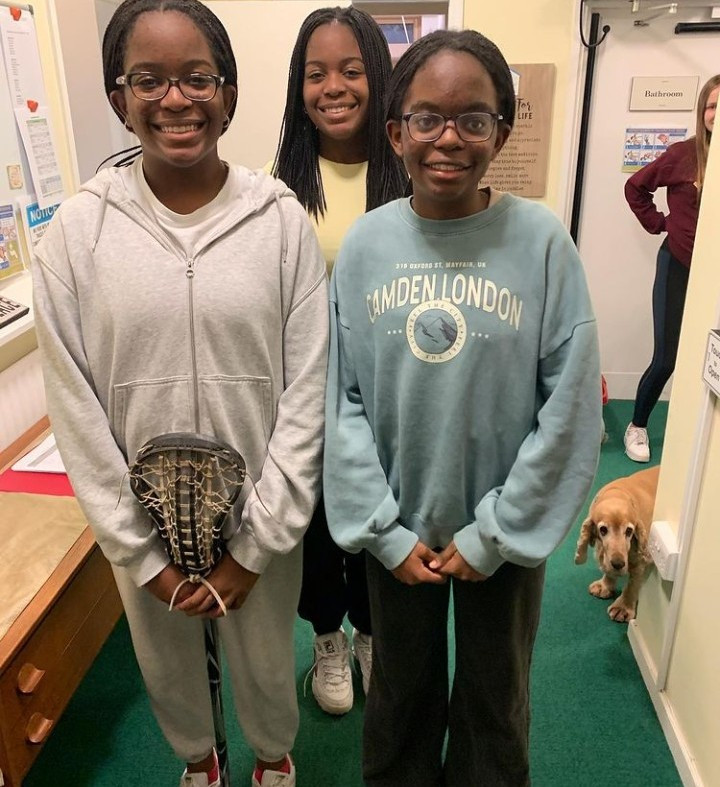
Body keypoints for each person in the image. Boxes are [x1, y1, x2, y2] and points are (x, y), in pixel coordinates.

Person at [31, 2, 328, 786]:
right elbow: (76, 409)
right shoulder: (75, 235)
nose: (176, 99)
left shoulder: (280, 222)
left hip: (261, 510)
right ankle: (201, 762)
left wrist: (259, 541)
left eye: (198, 78)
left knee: (267, 664)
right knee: (165, 666)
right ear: (118, 97)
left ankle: (272, 758)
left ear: (229, 92)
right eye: (148, 80)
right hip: (144, 521)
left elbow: (308, 391)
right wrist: (141, 553)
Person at [323, 29, 602, 787]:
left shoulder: (543, 243)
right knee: (399, 698)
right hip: (398, 527)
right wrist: (381, 530)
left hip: (504, 530)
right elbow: (340, 401)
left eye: (473, 119)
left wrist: (498, 532)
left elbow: (571, 406)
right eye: (427, 119)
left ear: (500, 133)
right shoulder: (366, 246)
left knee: (495, 700)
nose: (449, 138)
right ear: (396, 133)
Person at [270, 6, 407, 715]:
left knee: (382, 521)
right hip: (307, 398)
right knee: (318, 532)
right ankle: (328, 639)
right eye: (315, 73)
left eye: (351, 70)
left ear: (377, 77)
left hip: (388, 398)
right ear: (299, 88)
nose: (333, 88)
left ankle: (371, 633)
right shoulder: (280, 188)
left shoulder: (409, 175)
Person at [623, 74, 719, 463]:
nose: (718, 113)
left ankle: (700, 429)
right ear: (702, 111)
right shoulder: (683, 154)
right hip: (678, 263)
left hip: (715, 275)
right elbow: (635, 187)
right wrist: (661, 222)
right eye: (713, 105)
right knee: (667, 357)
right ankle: (637, 425)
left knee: (709, 356)